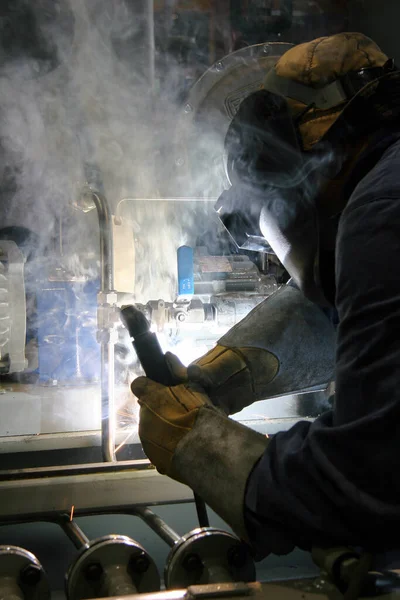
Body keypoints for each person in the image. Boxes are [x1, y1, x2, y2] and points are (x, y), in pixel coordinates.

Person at [131, 32, 400, 558]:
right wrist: (226, 373)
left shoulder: (379, 212)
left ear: (295, 176)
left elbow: (366, 485)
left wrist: (200, 445)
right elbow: (352, 308)